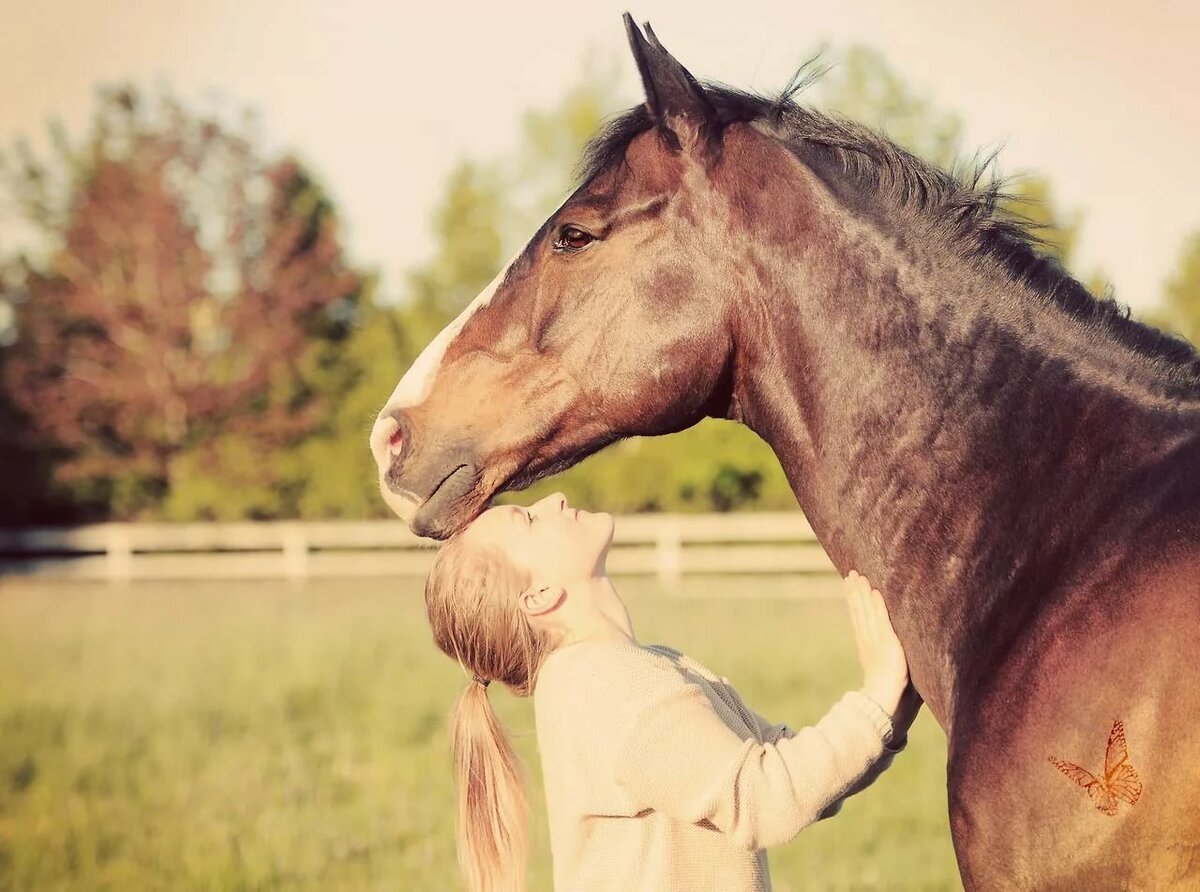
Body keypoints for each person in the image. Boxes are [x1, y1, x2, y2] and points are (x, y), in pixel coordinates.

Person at [423, 492, 919, 892]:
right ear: (539, 597)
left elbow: (789, 771)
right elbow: (763, 798)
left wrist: (896, 703)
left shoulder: (629, 668)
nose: (552, 499)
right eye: (529, 520)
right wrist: (875, 695)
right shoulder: (603, 684)